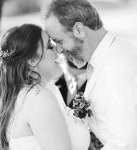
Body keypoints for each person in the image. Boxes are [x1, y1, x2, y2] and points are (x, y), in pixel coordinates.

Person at [45, 0, 137, 150]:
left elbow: (125, 145)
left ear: (79, 30)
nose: (59, 51)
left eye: (59, 41)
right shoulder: (111, 56)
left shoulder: (117, 69)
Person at [0, 24, 90, 150]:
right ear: (32, 60)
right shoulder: (39, 97)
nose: (58, 51)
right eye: (50, 46)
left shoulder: (41, 91)